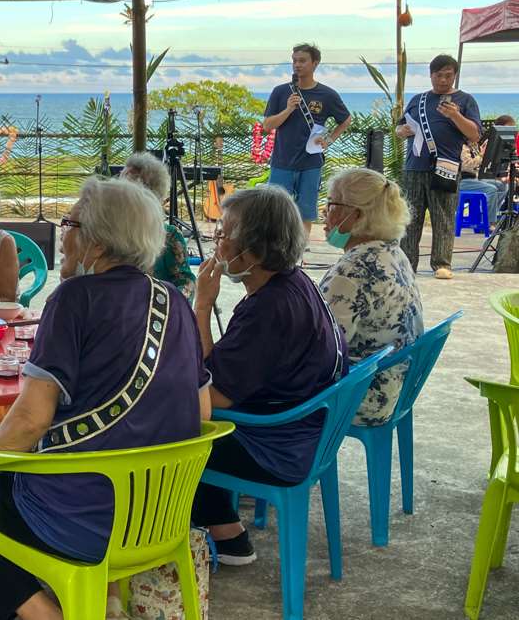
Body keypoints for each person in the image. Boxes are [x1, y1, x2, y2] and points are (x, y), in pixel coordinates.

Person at [0, 177, 211, 620]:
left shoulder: (74, 299)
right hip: (159, 516)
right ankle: (102, 597)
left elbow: (30, 419)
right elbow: (201, 412)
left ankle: (45, 614)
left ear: (97, 243)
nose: (63, 236)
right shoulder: (174, 300)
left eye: (70, 223)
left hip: (82, 519)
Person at [192, 185, 348, 564]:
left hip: (276, 447)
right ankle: (224, 528)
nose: (218, 245)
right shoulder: (293, 283)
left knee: (167, 426)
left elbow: (211, 396)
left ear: (255, 251)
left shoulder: (268, 310)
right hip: (304, 430)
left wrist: (201, 306)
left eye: (223, 235)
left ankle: (221, 536)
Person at [319, 169, 423, 426]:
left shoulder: (353, 270)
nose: (324, 212)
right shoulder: (391, 252)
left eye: (331, 204)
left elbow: (321, 351)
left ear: (356, 214)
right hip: (396, 386)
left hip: (364, 394)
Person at [397, 54, 481, 279]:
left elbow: (474, 134)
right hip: (415, 166)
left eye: (448, 75)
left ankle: (442, 263)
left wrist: (455, 115)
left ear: (454, 75)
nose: (443, 80)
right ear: (431, 75)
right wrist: (401, 131)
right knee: (410, 217)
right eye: (438, 75)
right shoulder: (418, 100)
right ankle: (407, 263)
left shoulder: (465, 100)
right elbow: (400, 127)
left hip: (446, 165)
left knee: (443, 215)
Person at [262, 44, 352, 238]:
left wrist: (329, 139)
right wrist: (287, 109)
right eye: (294, 61)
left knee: (305, 212)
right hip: (282, 161)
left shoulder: (327, 94)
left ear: (315, 63)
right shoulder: (280, 92)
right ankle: (278, 253)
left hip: (311, 163)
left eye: (302, 61)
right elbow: (267, 125)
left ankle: (298, 256)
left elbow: (345, 120)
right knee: (277, 212)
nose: (297, 65)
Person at [120, 151, 197, 299]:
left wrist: (168, 307)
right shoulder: (108, 232)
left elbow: (186, 282)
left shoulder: (169, 236)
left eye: (127, 185)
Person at [459, 115, 515, 220]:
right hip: (463, 180)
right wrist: (481, 155)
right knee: (492, 189)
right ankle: (489, 222)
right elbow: (467, 166)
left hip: (475, 178)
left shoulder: (474, 145)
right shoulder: (463, 146)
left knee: (502, 186)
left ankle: (486, 215)